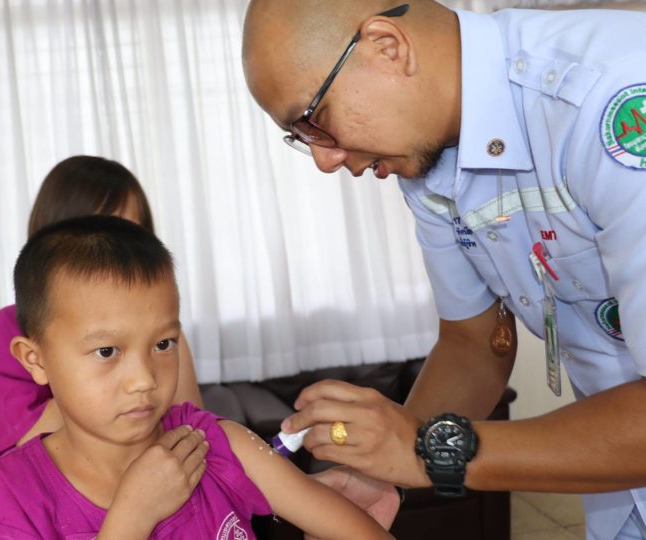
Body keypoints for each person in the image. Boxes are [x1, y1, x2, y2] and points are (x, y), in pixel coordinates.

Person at [242, 1, 646, 538]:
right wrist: (376, 475)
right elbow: (474, 343)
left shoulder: (609, 99)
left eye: (314, 120)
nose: (324, 160)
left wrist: (433, 451)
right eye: (302, 137)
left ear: (388, 47)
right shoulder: (428, 157)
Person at [0, 215, 391, 539]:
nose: (143, 380)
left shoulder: (217, 444)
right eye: (106, 351)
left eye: (163, 344)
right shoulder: (16, 491)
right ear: (35, 359)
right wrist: (130, 519)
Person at [0, 155, 202, 457]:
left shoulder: (161, 327)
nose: (122, 251)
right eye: (103, 235)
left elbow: (191, 428)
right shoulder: (6, 328)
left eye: (133, 233)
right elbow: (16, 451)